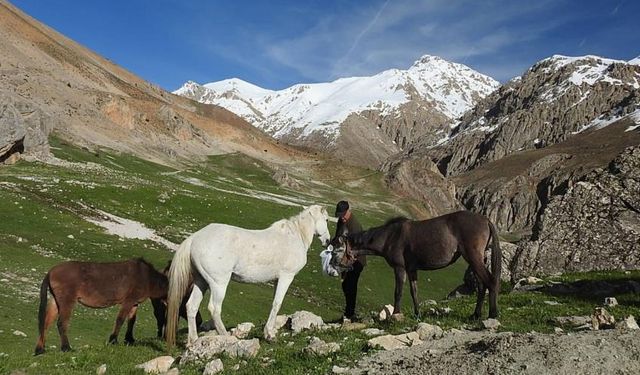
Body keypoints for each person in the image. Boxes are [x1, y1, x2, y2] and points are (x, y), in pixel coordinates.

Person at [331, 200, 365, 320]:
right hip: (345, 260)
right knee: (346, 285)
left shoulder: (355, 226)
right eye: (340, 216)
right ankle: (349, 311)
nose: (342, 219)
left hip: (356, 261)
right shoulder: (341, 221)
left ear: (348, 212)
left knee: (350, 285)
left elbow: (359, 246)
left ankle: (350, 313)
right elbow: (337, 236)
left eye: (343, 216)